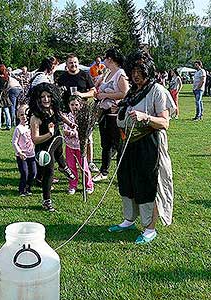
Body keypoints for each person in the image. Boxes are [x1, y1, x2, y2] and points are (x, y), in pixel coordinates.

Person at [111, 50, 175, 245]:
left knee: (147, 185)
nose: (136, 75)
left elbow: (164, 122)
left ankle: (149, 227)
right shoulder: (133, 91)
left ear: (148, 71)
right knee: (127, 182)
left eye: (140, 70)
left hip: (149, 145)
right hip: (128, 144)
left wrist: (145, 117)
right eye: (133, 70)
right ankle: (129, 219)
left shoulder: (157, 91)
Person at [29, 82, 75, 212]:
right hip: (43, 149)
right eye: (43, 97)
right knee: (49, 173)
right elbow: (35, 140)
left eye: (48, 96)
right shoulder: (35, 118)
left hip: (56, 142)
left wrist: (70, 123)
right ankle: (46, 201)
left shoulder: (53, 109)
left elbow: (60, 115)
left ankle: (63, 166)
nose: (46, 99)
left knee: (59, 143)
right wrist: (49, 134)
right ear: (38, 99)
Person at [57, 53, 99, 173]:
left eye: (75, 62)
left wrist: (81, 94)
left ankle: (89, 162)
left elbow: (93, 92)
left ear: (78, 63)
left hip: (84, 113)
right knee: (70, 137)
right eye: (71, 62)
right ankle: (72, 162)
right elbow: (57, 92)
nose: (73, 64)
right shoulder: (62, 77)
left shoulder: (84, 75)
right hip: (68, 113)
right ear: (67, 64)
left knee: (88, 138)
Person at [93, 48, 129, 182]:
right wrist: (98, 94)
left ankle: (122, 173)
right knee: (106, 143)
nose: (103, 60)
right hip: (104, 112)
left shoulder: (120, 74)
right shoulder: (107, 73)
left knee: (118, 144)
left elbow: (125, 93)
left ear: (110, 59)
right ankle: (104, 171)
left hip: (115, 113)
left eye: (105, 58)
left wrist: (105, 95)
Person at [63, 96, 94, 195]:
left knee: (84, 166)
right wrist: (68, 132)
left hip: (80, 147)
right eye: (72, 105)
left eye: (76, 104)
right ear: (69, 105)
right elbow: (64, 130)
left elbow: (85, 132)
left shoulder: (83, 117)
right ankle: (72, 185)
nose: (74, 107)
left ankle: (89, 185)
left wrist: (76, 134)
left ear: (80, 106)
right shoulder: (67, 117)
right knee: (71, 166)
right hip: (69, 146)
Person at [12, 105, 37, 196]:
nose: (24, 117)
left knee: (33, 172)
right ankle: (21, 189)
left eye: (26, 114)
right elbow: (14, 142)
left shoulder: (31, 126)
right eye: (22, 114)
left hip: (32, 154)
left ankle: (28, 187)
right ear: (18, 116)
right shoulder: (18, 129)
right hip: (22, 155)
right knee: (25, 173)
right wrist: (19, 152)